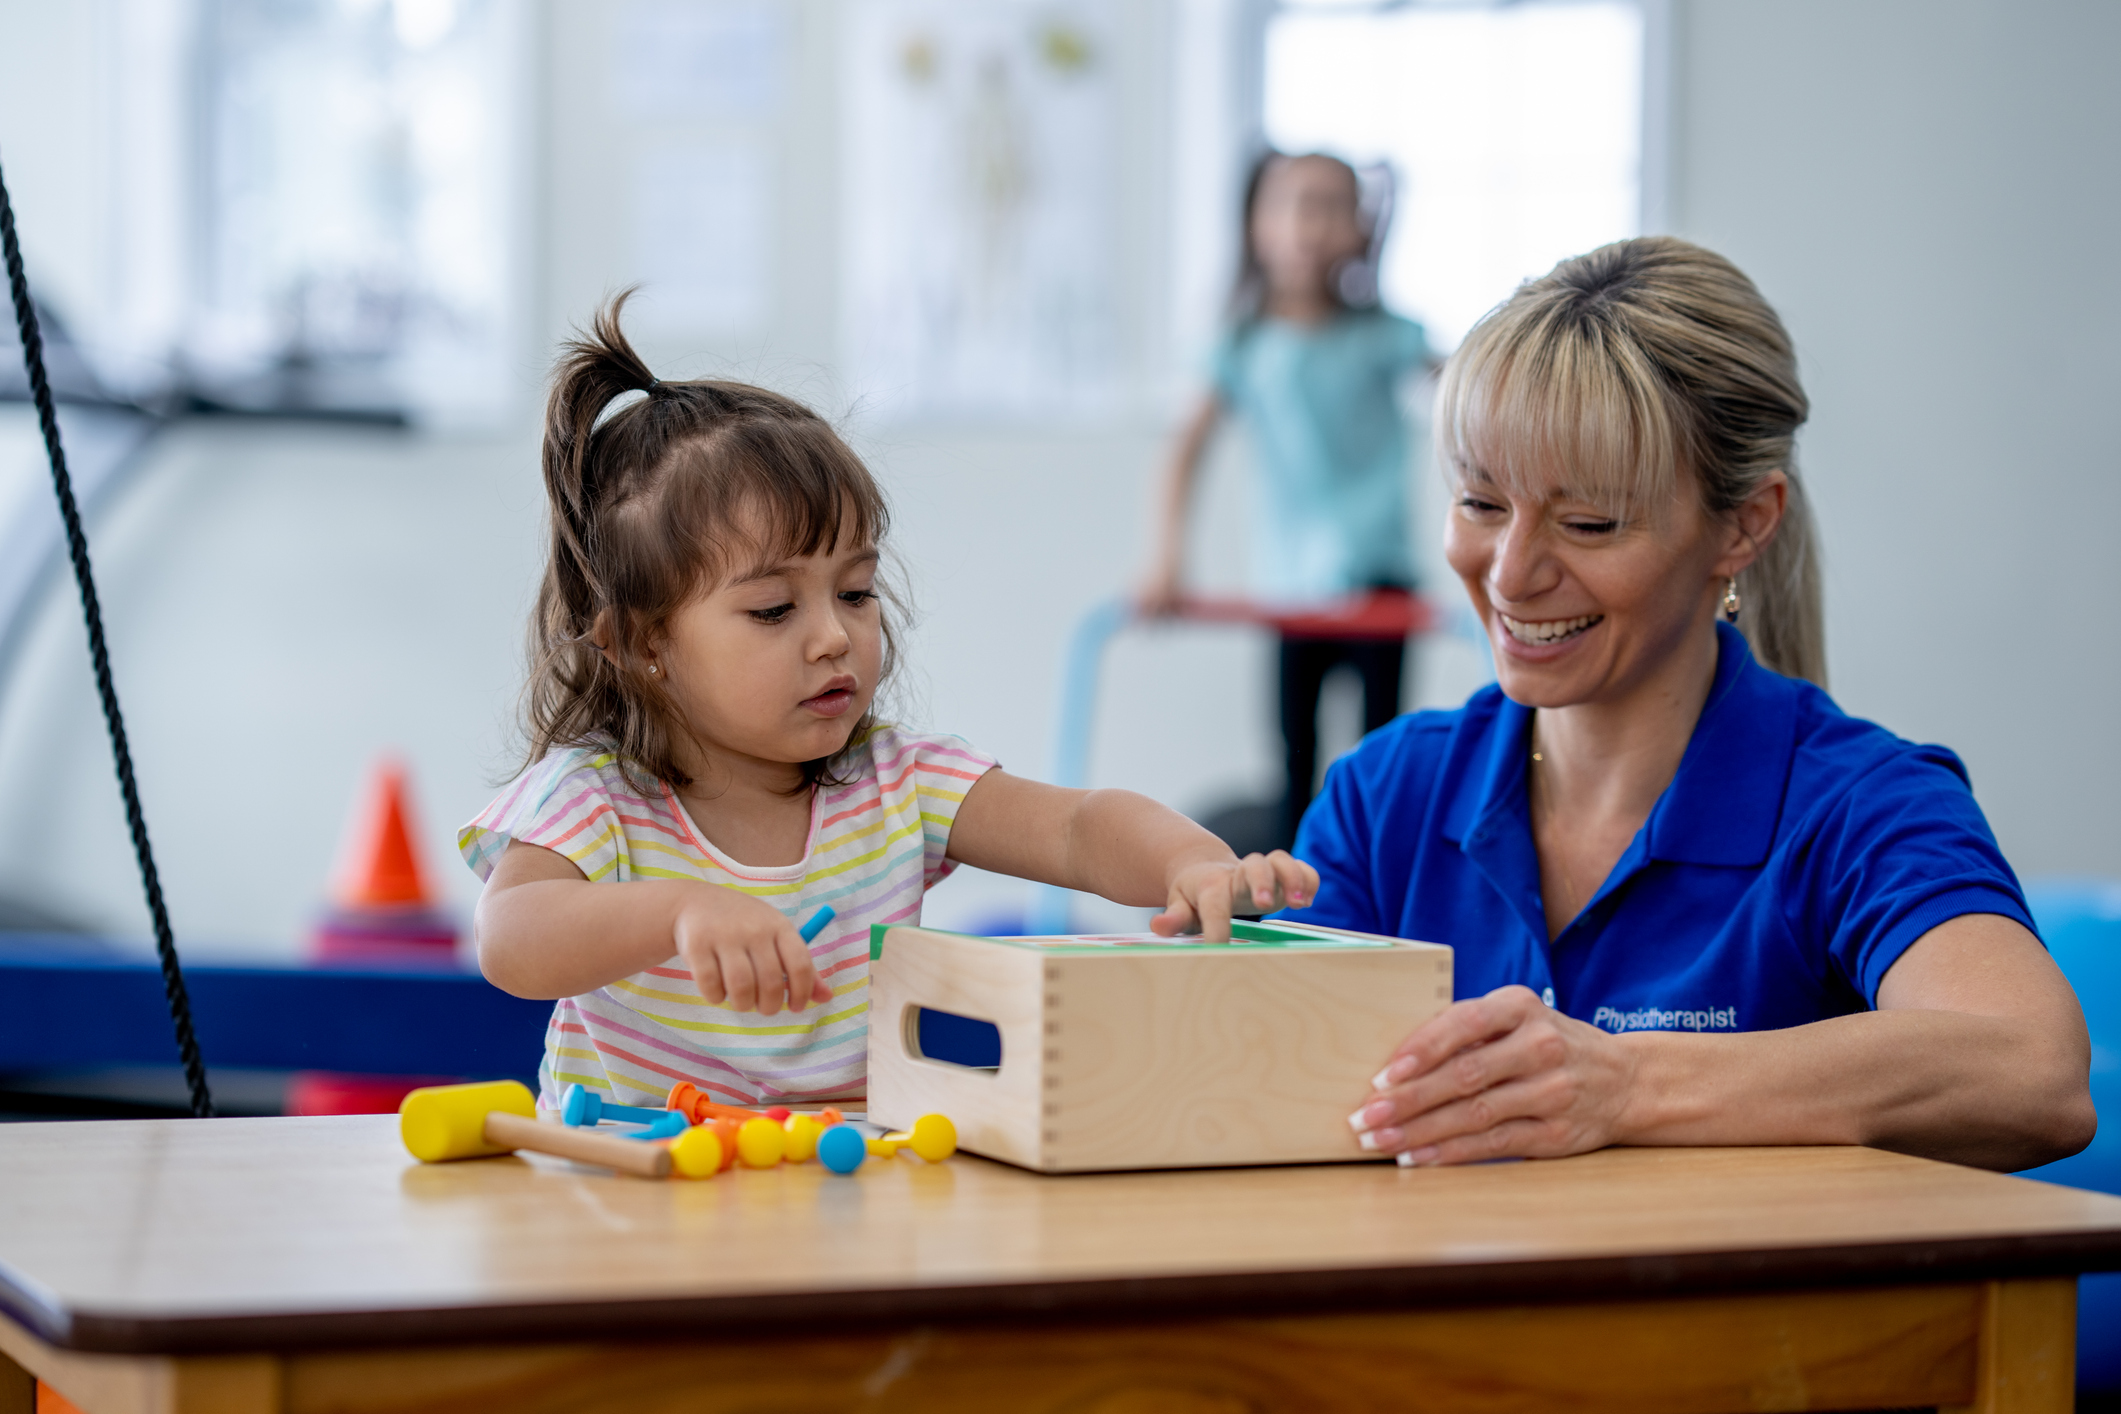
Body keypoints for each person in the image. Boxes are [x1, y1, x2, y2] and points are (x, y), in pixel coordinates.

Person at [1301, 237, 2093, 1173]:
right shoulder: (1383, 794)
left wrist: (1623, 1084)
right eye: (1480, 503)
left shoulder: (1858, 804)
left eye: (1588, 522)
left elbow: (2033, 1070)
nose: (1510, 574)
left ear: (1744, 525)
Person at [464, 296, 1317, 1109]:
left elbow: (1076, 828)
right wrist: (680, 910)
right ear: (641, 644)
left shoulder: (896, 782)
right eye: (773, 610)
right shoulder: (595, 798)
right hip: (629, 1189)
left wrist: (1188, 863)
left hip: (839, 1183)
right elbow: (511, 940)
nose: (833, 637)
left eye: (856, 592)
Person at [1139, 151, 1433, 848]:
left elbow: (1467, 392)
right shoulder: (1244, 346)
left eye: (1331, 207)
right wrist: (1167, 558)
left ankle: (1378, 886)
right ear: (1256, 225)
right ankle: (1300, 894)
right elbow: (1185, 450)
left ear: (1361, 228)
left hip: (1380, 577)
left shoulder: (1385, 336)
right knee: (1295, 761)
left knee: (1382, 759)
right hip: (1293, 590)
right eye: (1292, 205)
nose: (1309, 225)